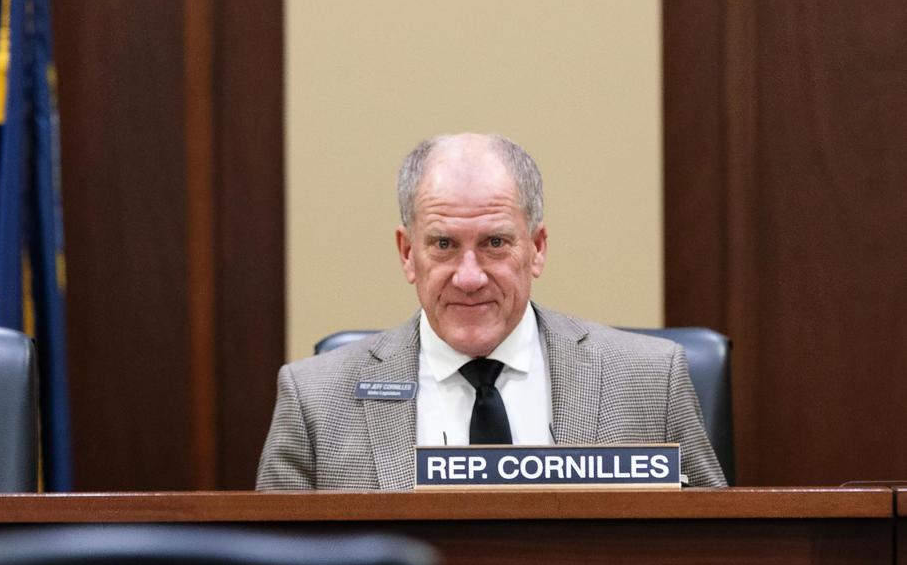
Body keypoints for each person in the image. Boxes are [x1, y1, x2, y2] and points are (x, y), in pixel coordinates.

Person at [257, 133, 726, 489]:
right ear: (407, 254)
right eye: (443, 244)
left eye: (494, 243)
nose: (469, 276)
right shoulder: (315, 401)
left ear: (537, 248)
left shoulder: (649, 380)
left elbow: (721, 560)